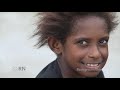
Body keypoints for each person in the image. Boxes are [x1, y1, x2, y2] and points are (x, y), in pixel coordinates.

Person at [33, 12, 118, 78]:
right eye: (83, 42)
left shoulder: (92, 72)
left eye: (102, 41)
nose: (96, 54)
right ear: (56, 45)